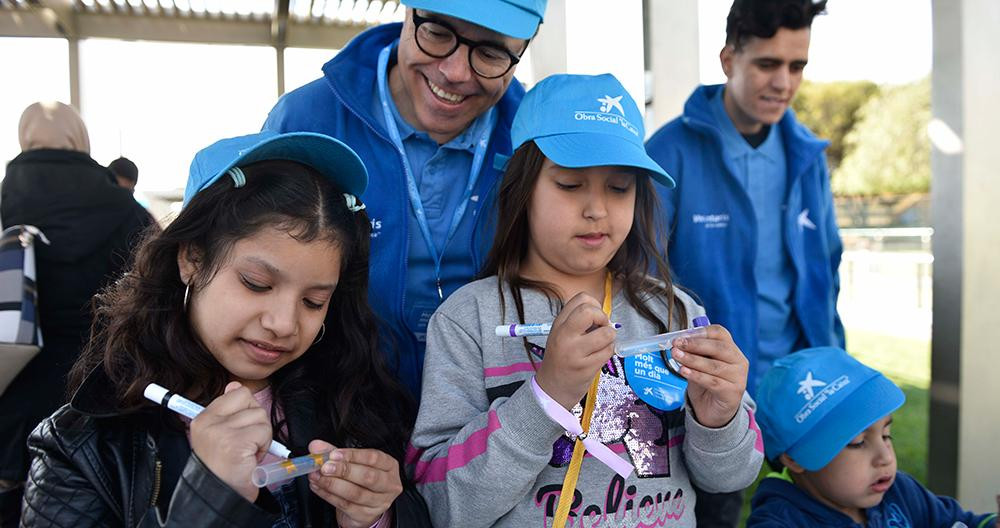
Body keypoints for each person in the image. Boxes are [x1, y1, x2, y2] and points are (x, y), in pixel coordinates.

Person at [20, 131, 431, 527]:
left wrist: (376, 517)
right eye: (256, 284)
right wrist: (209, 498)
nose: (283, 324)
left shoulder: (351, 403)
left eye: (314, 302)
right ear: (191, 260)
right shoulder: (81, 444)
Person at [408, 73, 764, 527]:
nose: (597, 209)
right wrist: (546, 395)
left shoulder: (676, 312)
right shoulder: (468, 320)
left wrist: (719, 417)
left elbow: (731, 476)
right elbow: (442, 503)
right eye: (571, 184)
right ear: (522, 189)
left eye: (619, 188)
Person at [263, 0, 547, 397]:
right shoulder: (309, 121)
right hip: (333, 405)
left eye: (490, 52)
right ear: (407, 13)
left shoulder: (537, 144)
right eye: (436, 32)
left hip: (486, 417)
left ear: (525, 48)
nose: (454, 73)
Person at [645, 2, 839, 521]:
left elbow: (827, 272)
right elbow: (639, 281)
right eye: (767, 64)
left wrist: (834, 357)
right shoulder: (668, 152)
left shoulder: (807, 155)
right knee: (717, 514)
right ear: (730, 59)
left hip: (803, 385)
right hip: (709, 398)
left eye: (796, 66)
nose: (784, 82)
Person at [0, 102, 155, 525]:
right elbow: (151, 286)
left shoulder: (4, 201)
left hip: (15, 382)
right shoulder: (122, 206)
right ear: (79, 138)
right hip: (99, 385)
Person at [747, 346, 999, 527]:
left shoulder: (900, 492)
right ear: (794, 458)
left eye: (887, 435)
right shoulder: (780, 521)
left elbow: (958, 522)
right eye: (858, 443)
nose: (885, 457)